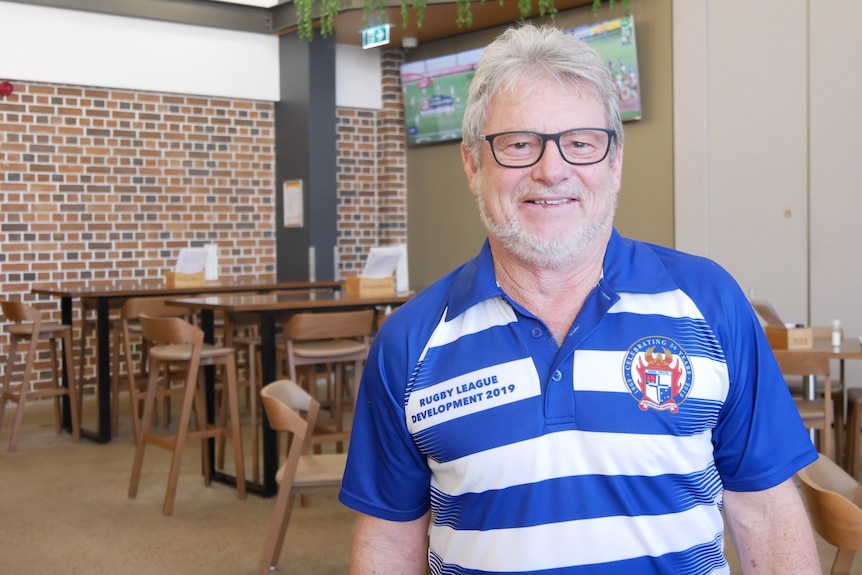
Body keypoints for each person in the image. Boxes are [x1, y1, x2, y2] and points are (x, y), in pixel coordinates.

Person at [339, 23, 821, 575]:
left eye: (581, 143)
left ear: (614, 163)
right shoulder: (411, 341)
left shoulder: (709, 303)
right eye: (519, 144)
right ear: (473, 166)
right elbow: (388, 544)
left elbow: (765, 514)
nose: (551, 169)